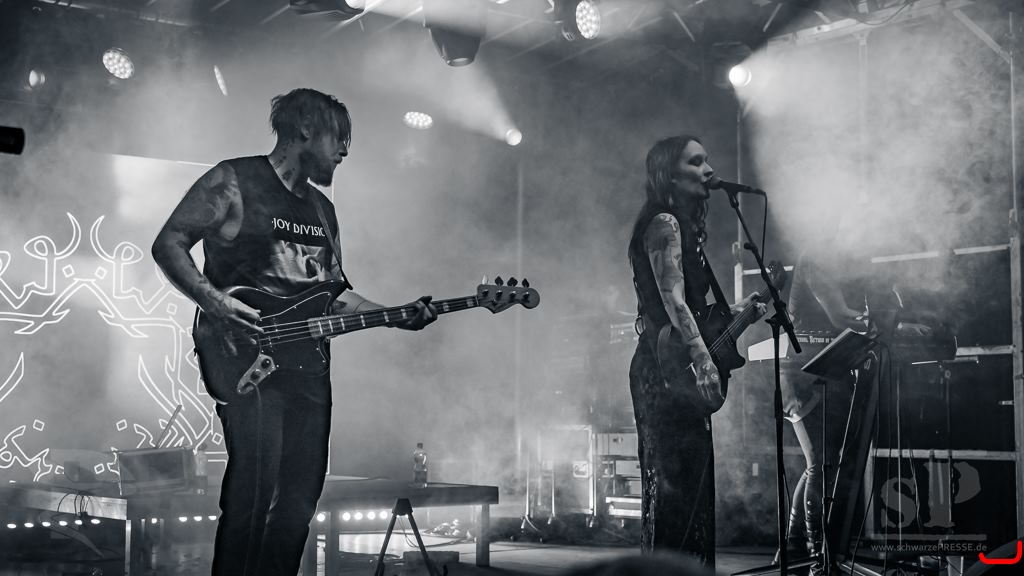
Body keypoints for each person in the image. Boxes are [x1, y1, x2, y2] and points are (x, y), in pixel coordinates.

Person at [151, 88, 437, 576]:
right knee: (252, 495)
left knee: (300, 501)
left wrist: (394, 313)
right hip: (248, 360)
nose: (344, 151)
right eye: (339, 138)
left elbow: (334, 294)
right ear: (305, 129)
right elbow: (169, 242)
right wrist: (214, 301)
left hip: (309, 368)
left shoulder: (323, 210)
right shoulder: (234, 180)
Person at [627, 135, 764, 568]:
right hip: (664, 370)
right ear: (670, 174)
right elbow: (673, 300)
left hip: (677, 365)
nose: (709, 170)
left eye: (708, 160)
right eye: (696, 162)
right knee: (673, 490)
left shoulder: (683, 227)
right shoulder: (663, 222)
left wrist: (740, 315)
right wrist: (703, 359)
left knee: (692, 490)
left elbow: (697, 311)